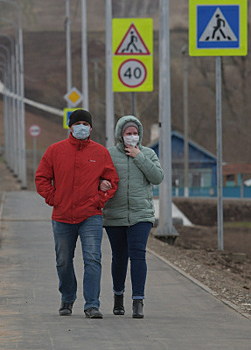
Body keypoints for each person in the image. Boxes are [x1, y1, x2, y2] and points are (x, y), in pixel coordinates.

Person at [35, 109, 119, 319]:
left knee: (93, 259)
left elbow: (112, 181)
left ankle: (92, 304)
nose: (82, 127)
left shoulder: (100, 152)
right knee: (63, 260)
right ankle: (67, 297)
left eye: (85, 123)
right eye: (77, 123)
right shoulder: (55, 150)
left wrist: (100, 199)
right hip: (62, 216)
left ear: (91, 128)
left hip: (91, 215)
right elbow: (42, 177)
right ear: (70, 127)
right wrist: (54, 198)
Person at [100, 115, 164, 318]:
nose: (132, 137)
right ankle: (118, 297)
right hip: (115, 214)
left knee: (138, 255)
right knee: (119, 257)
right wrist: (101, 184)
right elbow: (98, 177)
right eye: (128, 133)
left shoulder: (148, 153)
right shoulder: (108, 154)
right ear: (120, 135)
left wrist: (139, 157)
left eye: (135, 133)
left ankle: (138, 301)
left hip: (141, 214)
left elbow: (157, 177)